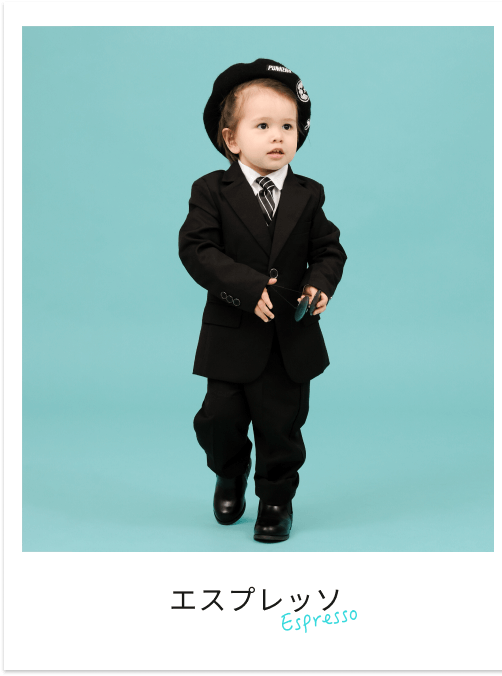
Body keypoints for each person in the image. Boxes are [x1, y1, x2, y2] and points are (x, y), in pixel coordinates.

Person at [178, 58, 347, 543]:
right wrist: (249, 289)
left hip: (288, 337)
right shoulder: (212, 190)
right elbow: (197, 249)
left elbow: (329, 250)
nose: (278, 136)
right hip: (231, 335)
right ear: (231, 139)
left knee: (281, 428)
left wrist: (319, 284)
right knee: (219, 420)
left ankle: (276, 499)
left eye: (288, 126)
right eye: (263, 126)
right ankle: (228, 472)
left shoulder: (308, 195)